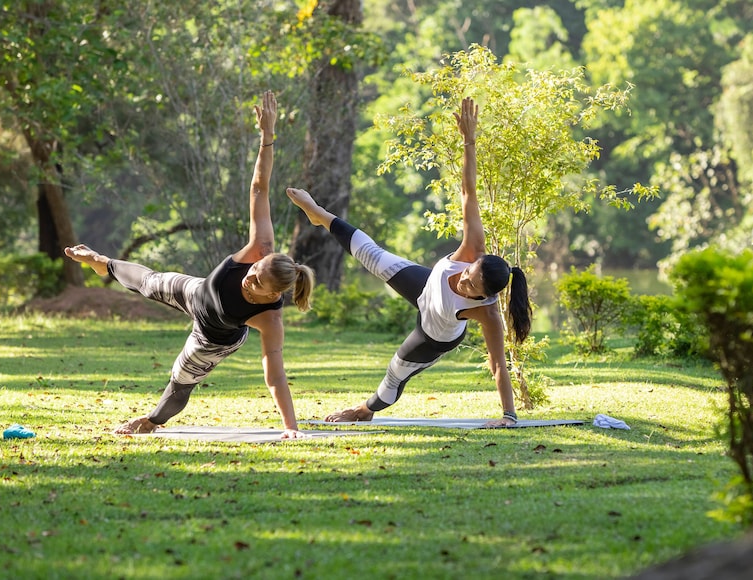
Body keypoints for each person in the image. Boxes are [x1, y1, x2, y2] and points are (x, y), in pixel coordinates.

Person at [64, 91, 314, 439]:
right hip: (199, 290)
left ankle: (151, 421)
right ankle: (102, 263)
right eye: (252, 271)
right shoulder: (260, 248)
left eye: (257, 285)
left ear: (273, 295)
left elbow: (275, 375)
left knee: (180, 380)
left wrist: (291, 428)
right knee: (149, 281)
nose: (248, 280)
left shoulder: (271, 319)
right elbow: (259, 188)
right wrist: (267, 138)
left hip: (214, 337)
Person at [285, 97, 532, 428]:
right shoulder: (474, 247)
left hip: (436, 331)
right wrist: (469, 142)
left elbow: (498, 364)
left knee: (395, 372)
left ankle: (364, 410)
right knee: (371, 254)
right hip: (425, 286)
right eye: (468, 274)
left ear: (482, 297)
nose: (463, 281)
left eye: (471, 287)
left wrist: (508, 416)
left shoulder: (487, 312)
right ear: (475, 261)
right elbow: (468, 192)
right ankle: (320, 215)